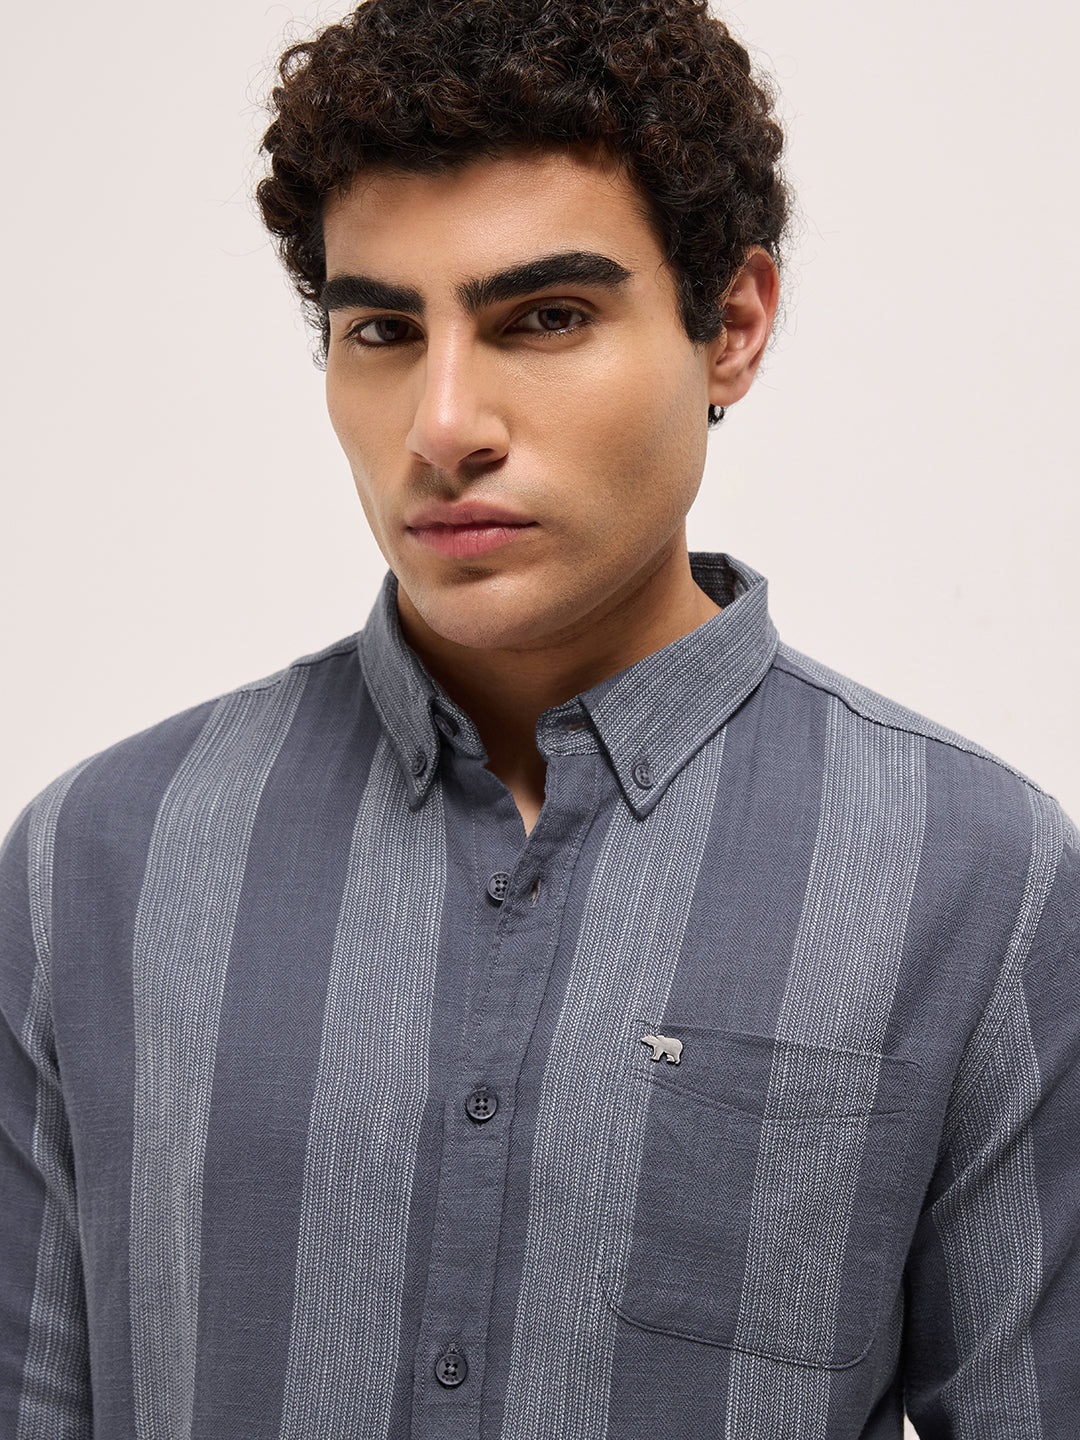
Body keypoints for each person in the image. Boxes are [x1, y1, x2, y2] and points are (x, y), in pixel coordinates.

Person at [1, 0, 1076, 1434]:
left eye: (547, 317)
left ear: (732, 327)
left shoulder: (980, 880)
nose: (443, 425)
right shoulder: (94, 865)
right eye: (383, 329)